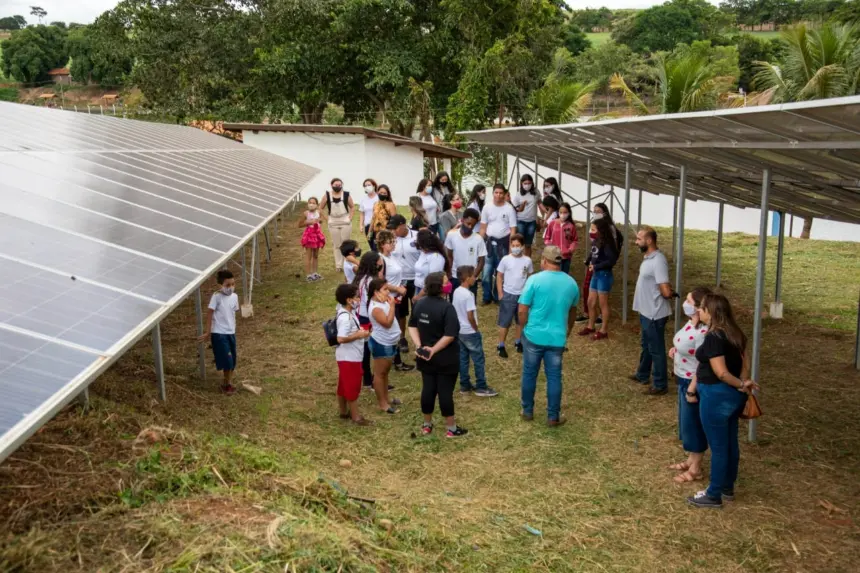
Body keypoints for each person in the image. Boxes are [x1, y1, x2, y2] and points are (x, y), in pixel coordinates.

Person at [686, 293, 758, 509]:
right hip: (733, 397)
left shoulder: (714, 337)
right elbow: (745, 365)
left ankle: (714, 493)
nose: (699, 311)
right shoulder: (736, 335)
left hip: (716, 396)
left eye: (703, 308)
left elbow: (721, 372)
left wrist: (739, 384)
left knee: (718, 447)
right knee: (730, 442)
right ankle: (727, 486)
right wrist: (743, 384)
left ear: (712, 312)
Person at [518, 246, 580, 426]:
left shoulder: (534, 280)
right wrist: (567, 331)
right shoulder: (571, 283)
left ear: (544, 260)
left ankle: (527, 410)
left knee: (529, 373)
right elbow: (573, 312)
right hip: (557, 338)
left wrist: (524, 327)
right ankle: (553, 416)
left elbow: (522, 309)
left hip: (534, 335)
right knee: (554, 377)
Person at [409, 272, 468, 437]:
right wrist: (434, 349)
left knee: (428, 389)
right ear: (439, 286)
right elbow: (450, 335)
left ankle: (426, 425)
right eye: (445, 281)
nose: (448, 283)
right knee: (445, 391)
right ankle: (451, 428)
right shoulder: (447, 308)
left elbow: (412, 326)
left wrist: (420, 346)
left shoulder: (419, 304)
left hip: (424, 357)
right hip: (445, 358)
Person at [669, 287, 713, 484]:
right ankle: (691, 459)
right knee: (686, 422)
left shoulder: (704, 332)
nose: (684, 304)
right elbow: (685, 345)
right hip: (681, 378)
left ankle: (696, 467)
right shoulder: (691, 324)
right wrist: (675, 350)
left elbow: (703, 361)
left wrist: (692, 389)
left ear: (699, 307)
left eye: (688, 301)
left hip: (692, 383)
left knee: (694, 423)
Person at [631, 226, 676, 395]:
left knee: (656, 348)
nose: (636, 242)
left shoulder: (658, 260)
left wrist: (668, 292)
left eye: (639, 239)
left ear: (649, 240)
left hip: (655, 313)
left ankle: (660, 384)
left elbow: (664, 288)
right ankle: (642, 374)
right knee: (647, 345)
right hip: (646, 311)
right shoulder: (648, 258)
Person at [452, 266, 497, 397]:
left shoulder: (456, 292)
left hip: (460, 331)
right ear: (467, 278)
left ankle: (464, 385)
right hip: (470, 332)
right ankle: (481, 386)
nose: (475, 278)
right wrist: (475, 329)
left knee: (463, 358)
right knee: (478, 359)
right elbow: (470, 315)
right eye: (473, 276)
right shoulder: (468, 295)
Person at [333, 283, 372, 426]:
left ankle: (343, 412)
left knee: (343, 385)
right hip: (349, 358)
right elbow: (341, 338)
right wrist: (358, 335)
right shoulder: (345, 318)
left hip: (348, 356)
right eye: (357, 297)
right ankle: (356, 416)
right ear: (349, 300)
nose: (359, 299)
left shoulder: (348, 313)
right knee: (352, 386)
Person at [577, 202, 622, 324]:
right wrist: (589, 260)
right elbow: (594, 249)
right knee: (590, 298)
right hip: (596, 269)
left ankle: (602, 323)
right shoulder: (597, 236)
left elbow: (612, 256)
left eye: (598, 211)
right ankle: (590, 322)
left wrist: (598, 264)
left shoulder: (608, 234)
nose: (595, 213)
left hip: (603, 271)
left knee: (602, 300)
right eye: (594, 211)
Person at [377, 229, 415, 372]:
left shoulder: (391, 256)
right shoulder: (380, 259)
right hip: (390, 299)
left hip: (398, 297)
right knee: (393, 329)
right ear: (382, 244)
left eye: (394, 241)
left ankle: (396, 359)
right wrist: (397, 289)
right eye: (390, 242)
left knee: (397, 327)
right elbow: (380, 282)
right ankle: (395, 361)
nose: (393, 244)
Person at [199, 270, 240, 395]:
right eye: (227, 285)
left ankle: (227, 382)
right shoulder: (216, 296)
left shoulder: (235, 297)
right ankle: (226, 385)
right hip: (219, 333)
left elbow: (234, 312)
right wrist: (208, 332)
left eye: (233, 284)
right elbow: (210, 313)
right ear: (220, 285)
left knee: (232, 361)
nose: (230, 288)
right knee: (227, 361)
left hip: (230, 332)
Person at [368, 277, 403, 414]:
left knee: (385, 372)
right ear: (375, 292)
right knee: (379, 374)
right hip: (382, 343)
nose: (388, 291)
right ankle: (382, 404)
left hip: (390, 342)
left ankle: (386, 398)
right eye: (385, 289)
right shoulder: (376, 309)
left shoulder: (383, 302)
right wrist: (393, 306)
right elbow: (387, 323)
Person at [479, 184, 518, 305]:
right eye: (496, 192)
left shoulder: (509, 208)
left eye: (501, 193)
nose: (498, 195)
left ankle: (497, 296)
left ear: (504, 194)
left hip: (504, 244)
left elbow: (513, 229)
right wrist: (479, 244)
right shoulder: (487, 207)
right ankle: (486, 296)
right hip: (489, 244)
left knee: (500, 272)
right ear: (493, 193)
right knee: (486, 273)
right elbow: (483, 228)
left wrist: (512, 248)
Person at [495, 234, 533, 357]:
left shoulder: (527, 260)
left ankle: (518, 342)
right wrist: (500, 293)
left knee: (520, 321)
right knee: (504, 322)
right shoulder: (505, 259)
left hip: (522, 296)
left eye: (518, 245)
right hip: (508, 294)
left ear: (522, 246)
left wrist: (529, 294)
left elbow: (530, 277)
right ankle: (501, 345)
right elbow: (499, 276)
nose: (515, 248)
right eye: (513, 245)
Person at [390, 214, 420, 353]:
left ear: (403, 225)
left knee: (418, 311)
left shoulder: (417, 236)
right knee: (400, 312)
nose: (393, 231)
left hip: (416, 280)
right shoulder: (392, 239)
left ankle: (419, 340)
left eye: (395, 228)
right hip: (399, 282)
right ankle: (402, 338)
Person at [353, 252, 384, 390]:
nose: (380, 263)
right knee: (368, 348)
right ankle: (369, 380)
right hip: (368, 317)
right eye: (379, 261)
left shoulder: (361, 278)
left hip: (361, 315)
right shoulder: (371, 280)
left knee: (365, 348)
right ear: (374, 263)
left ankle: (366, 378)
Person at [444, 207, 486, 296]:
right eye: (468, 223)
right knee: (454, 304)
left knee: (469, 306)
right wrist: (449, 273)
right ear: (462, 220)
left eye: (473, 225)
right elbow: (449, 256)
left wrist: (473, 277)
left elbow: (481, 261)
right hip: (455, 277)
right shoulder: (451, 235)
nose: (470, 227)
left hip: (470, 278)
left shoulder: (478, 239)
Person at [318, 178, 355, 272]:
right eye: (335, 185)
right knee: (336, 244)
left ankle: (347, 262)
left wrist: (350, 218)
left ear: (342, 185)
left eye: (339, 185)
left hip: (344, 220)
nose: (337, 187)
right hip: (333, 221)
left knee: (345, 243)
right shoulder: (327, 195)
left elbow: (352, 207)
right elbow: (320, 208)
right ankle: (338, 265)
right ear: (331, 185)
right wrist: (327, 219)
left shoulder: (346, 194)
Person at [413, 229, 449, 301]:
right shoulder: (423, 253)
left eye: (421, 246)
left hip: (427, 292)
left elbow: (432, 281)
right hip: (418, 288)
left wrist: (419, 296)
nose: (420, 248)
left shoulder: (436, 257)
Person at [543, 202, 578, 275]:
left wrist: (570, 249)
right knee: (554, 275)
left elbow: (575, 240)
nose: (563, 214)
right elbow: (547, 237)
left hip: (566, 257)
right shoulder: (553, 223)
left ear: (569, 213)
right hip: (554, 256)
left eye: (565, 212)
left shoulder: (571, 226)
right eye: (561, 212)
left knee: (564, 275)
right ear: (558, 212)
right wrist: (550, 246)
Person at [299, 197, 326, 282]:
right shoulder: (306, 213)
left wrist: (319, 220)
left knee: (316, 255)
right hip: (309, 235)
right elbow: (300, 224)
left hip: (317, 234)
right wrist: (309, 222)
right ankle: (308, 275)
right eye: (310, 202)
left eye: (313, 203)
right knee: (309, 256)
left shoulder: (319, 212)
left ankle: (315, 273)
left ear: (317, 205)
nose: (311, 204)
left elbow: (321, 219)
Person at [512, 174, 539, 257]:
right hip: (520, 221)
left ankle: (527, 263)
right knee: (519, 243)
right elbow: (515, 209)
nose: (527, 185)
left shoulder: (536, 192)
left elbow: (539, 202)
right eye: (525, 183)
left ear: (532, 183)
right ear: (521, 183)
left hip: (531, 222)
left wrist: (544, 214)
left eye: (529, 183)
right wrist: (522, 205)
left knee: (528, 244)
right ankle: (518, 261)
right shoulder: (518, 194)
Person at [369, 184, 397, 248]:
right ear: (377, 192)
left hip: (386, 234)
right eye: (381, 192)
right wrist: (370, 232)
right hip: (376, 234)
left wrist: (393, 235)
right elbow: (373, 218)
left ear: (387, 194)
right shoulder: (375, 204)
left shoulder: (390, 205)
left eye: (384, 193)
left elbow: (394, 221)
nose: (382, 194)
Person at [359, 179, 379, 251]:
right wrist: (361, 225)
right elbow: (362, 213)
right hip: (368, 227)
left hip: (378, 226)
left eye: (369, 185)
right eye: (365, 185)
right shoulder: (363, 199)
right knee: (371, 246)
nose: (367, 187)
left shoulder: (378, 197)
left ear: (374, 186)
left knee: (376, 247)